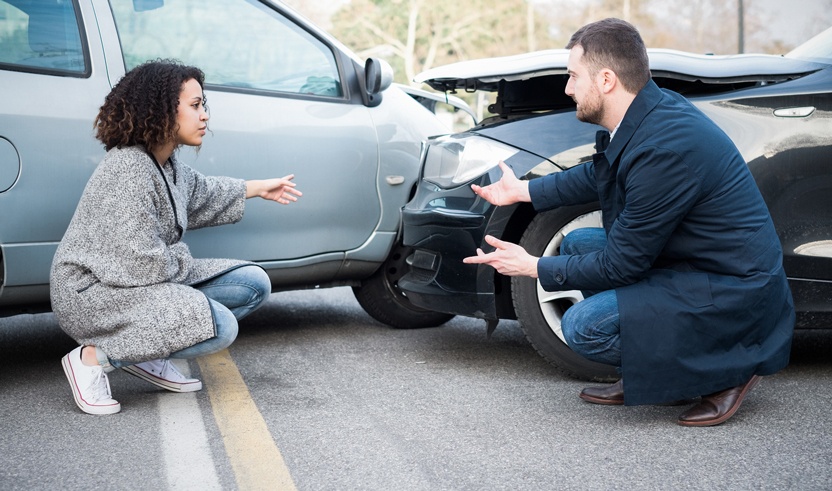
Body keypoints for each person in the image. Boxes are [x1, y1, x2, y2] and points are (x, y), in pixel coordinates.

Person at [463, 18, 794, 426]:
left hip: (731, 289)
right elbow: (599, 174)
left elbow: (622, 266)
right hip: (693, 262)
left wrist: (531, 266)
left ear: (606, 80)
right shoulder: (650, 111)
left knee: (583, 327)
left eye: (572, 76)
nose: (567, 88)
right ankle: (654, 373)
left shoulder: (664, 148)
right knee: (576, 244)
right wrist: (523, 191)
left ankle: (727, 371)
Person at [52, 60, 303, 415]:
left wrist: (259, 188)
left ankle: (143, 352)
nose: (205, 116)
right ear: (161, 109)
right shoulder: (129, 169)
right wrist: (184, 259)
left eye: (204, 106)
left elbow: (204, 192)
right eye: (195, 105)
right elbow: (141, 264)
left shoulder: (165, 164)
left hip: (133, 284)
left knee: (252, 283)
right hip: (92, 294)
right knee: (219, 326)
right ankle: (92, 359)